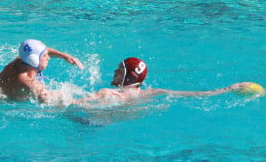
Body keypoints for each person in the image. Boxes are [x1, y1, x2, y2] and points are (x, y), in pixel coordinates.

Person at [75, 57, 265, 107]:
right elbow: (200, 95)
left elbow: (68, 104)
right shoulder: (153, 93)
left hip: (87, 122)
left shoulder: (107, 94)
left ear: (129, 77)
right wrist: (230, 88)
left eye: (119, 70)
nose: (115, 72)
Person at [0, 39, 84, 103]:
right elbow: (46, 99)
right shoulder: (27, 81)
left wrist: (65, 56)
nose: (48, 57)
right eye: (45, 56)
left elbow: (44, 50)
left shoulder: (20, 60)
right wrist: (93, 98)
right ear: (34, 60)